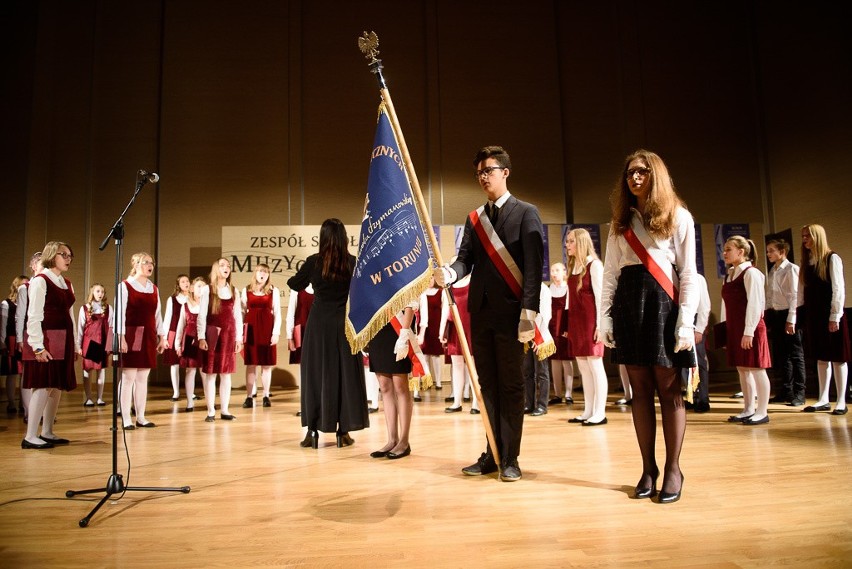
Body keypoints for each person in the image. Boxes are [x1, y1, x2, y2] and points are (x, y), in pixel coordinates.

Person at [434, 145, 544, 482]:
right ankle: (492, 451)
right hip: (480, 314)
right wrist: (450, 273)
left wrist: (529, 311)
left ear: (505, 172)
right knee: (487, 387)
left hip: (513, 315)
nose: (483, 176)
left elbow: (533, 266)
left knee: (511, 386)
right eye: (479, 171)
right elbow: (465, 259)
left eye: (489, 170)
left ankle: (510, 457)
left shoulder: (527, 212)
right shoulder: (474, 219)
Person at [600, 149, 697, 503]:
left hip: (663, 305)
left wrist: (686, 321)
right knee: (639, 393)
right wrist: (604, 317)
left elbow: (688, 273)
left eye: (642, 172)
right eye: (629, 173)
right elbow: (610, 273)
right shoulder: (620, 223)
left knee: (669, 391)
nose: (635, 178)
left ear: (656, 175)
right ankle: (648, 468)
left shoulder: (678, 216)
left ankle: (673, 468)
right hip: (629, 303)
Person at [287, 219, 368, 448]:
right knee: (345, 375)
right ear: (343, 237)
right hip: (344, 323)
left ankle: (312, 432)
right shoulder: (352, 263)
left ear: (322, 237)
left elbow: (294, 284)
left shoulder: (314, 262)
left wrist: (311, 280)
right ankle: (343, 432)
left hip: (319, 325)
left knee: (316, 375)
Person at [21, 242, 78, 449]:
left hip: (64, 337)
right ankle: (30, 435)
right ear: (52, 255)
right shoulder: (40, 280)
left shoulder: (65, 282)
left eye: (70, 255)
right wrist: (37, 346)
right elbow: (33, 315)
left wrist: (76, 343)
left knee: (56, 385)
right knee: (43, 384)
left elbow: (70, 313)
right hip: (46, 337)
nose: (68, 258)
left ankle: (46, 431)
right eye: (64, 254)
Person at [798, 224, 850, 415]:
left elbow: (839, 289)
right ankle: (823, 398)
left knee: (838, 358)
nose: (804, 240)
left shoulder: (831, 258)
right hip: (814, 316)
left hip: (830, 315)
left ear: (817, 237)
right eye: (803, 236)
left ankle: (842, 400)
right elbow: (801, 292)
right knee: (821, 357)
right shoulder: (808, 262)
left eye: (808, 236)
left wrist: (835, 316)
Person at [721, 236, 772, 425]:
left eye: (728, 249)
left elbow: (756, 304)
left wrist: (749, 331)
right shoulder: (729, 275)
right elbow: (725, 306)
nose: (724, 253)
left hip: (751, 328)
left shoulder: (751, 273)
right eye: (724, 249)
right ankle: (748, 408)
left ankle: (762, 411)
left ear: (741, 252)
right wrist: (726, 332)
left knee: (757, 368)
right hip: (735, 329)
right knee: (742, 369)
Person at [117, 252, 166, 429]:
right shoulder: (125, 286)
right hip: (131, 335)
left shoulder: (154, 288)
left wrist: (162, 336)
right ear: (136, 264)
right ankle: (125, 418)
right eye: (146, 262)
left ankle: (141, 417)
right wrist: (121, 337)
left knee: (142, 377)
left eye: (151, 262)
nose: (150, 265)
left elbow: (157, 315)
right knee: (128, 376)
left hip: (148, 336)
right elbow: (119, 314)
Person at [565, 228, 608, 426]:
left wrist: (601, 326)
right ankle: (588, 410)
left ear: (581, 242)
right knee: (583, 367)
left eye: (571, 241)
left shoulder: (595, 266)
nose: (567, 245)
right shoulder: (573, 267)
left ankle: (600, 412)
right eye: (567, 241)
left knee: (595, 366)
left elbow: (601, 298)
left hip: (591, 322)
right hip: (577, 322)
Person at [367, 303, 418, 459]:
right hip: (377, 326)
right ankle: (392, 439)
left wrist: (404, 332)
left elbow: (411, 300)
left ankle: (404, 441)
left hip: (399, 325)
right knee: (384, 386)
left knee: (400, 385)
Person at [197, 258, 244, 422]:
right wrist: (201, 337)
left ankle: (225, 410)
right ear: (216, 269)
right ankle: (211, 411)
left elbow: (237, 316)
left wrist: (239, 338)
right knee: (211, 374)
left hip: (229, 336)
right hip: (212, 335)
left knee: (226, 374)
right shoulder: (207, 290)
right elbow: (201, 315)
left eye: (229, 266)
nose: (226, 268)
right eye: (222, 265)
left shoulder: (234, 290)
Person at [764, 239, 806, 406]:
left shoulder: (792, 269)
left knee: (796, 355)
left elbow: (795, 296)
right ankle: (785, 390)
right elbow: (770, 296)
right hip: (776, 315)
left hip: (790, 314)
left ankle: (800, 392)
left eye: (771, 251)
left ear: (782, 252)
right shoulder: (773, 270)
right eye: (767, 251)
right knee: (782, 355)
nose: (768, 254)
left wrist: (791, 319)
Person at [241, 263, 282, 408]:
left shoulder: (273, 291)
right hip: (251, 331)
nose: (262, 274)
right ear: (255, 273)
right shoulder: (246, 290)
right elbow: (241, 313)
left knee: (266, 365)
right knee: (251, 364)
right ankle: (249, 396)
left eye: (265, 272)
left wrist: (275, 333)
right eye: (260, 271)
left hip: (266, 330)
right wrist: (241, 334)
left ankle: (265, 395)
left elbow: (277, 314)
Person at [439, 273, 478, 414]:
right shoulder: (449, 287)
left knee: (473, 366)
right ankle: (456, 402)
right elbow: (445, 309)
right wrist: (441, 330)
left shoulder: (473, 281)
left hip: (471, 329)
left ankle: (476, 403)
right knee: (457, 366)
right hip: (455, 329)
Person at [15, 252, 43, 422]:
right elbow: (20, 315)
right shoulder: (24, 288)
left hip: (44, 334)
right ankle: (28, 411)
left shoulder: (46, 285)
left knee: (42, 376)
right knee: (27, 374)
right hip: (28, 335)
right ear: (33, 266)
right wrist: (19, 339)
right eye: (41, 264)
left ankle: (40, 411)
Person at [75, 283, 113, 407]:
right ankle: (88, 398)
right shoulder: (84, 308)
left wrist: (110, 345)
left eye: (102, 292)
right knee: (88, 371)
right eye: (97, 291)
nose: (100, 294)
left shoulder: (108, 308)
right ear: (92, 292)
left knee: (101, 371)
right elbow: (80, 329)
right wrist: (78, 346)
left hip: (102, 343)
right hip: (89, 343)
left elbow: (111, 328)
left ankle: (100, 398)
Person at [174, 277, 207, 412]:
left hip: (204, 340)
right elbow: (180, 326)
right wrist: (177, 344)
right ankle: (189, 402)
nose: (201, 289)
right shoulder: (186, 305)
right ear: (192, 288)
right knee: (190, 370)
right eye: (199, 286)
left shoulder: (208, 306)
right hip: (189, 340)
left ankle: (209, 401)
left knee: (206, 372)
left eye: (203, 287)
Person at [682, 273, 711, 413]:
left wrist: (699, 329)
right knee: (683, 364)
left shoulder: (697, 278)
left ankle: (703, 398)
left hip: (694, 323)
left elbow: (704, 306)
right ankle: (691, 395)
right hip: (680, 323)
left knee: (699, 362)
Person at [524, 282, 552, 416]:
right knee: (527, 371)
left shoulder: (544, 289)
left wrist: (538, 338)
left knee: (542, 372)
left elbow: (546, 314)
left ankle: (542, 405)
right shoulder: (525, 287)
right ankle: (529, 403)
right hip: (526, 334)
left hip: (540, 334)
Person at [161, 274, 190, 402]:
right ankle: (176, 392)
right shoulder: (172, 299)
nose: (186, 283)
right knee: (174, 363)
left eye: (187, 281)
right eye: (183, 281)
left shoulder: (193, 299)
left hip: (188, 333)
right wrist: (165, 337)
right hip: (173, 332)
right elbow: (167, 318)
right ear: (178, 285)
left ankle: (191, 392)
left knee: (190, 364)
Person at [548, 262, 573, 405]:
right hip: (551, 328)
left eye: (557, 270)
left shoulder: (568, 288)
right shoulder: (547, 288)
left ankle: (568, 394)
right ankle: (557, 394)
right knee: (555, 360)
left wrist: (568, 329)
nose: (554, 273)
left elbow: (570, 311)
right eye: (552, 270)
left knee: (566, 360)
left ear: (564, 272)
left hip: (564, 328)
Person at [2, 276, 28, 414]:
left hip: (26, 339)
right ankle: (11, 402)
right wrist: (2, 341)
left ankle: (24, 404)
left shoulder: (28, 304)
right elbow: (3, 325)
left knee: (25, 373)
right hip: (11, 340)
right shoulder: (6, 304)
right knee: (12, 373)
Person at [417, 279, 445, 392]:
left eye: (432, 277)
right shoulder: (421, 293)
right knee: (424, 355)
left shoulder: (440, 292)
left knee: (435, 355)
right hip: (422, 326)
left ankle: (438, 381)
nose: (430, 280)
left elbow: (444, 309)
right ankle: (426, 381)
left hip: (435, 325)